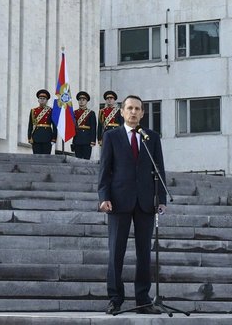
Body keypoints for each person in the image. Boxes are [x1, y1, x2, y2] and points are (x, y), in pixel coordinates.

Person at [97, 95, 167, 315]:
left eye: (137, 109)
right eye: (129, 108)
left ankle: (143, 300)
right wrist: (103, 197)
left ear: (143, 113)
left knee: (144, 253)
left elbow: (159, 169)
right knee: (115, 252)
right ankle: (115, 299)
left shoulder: (151, 138)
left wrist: (161, 198)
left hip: (146, 203)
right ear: (122, 112)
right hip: (118, 201)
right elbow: (105, 170)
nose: (134, 112)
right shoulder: (112, 136)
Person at [27, 89, 55, 154]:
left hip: (47, 137)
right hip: (36, 137)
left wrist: (54, 138)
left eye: (44, 98)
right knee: (36, 158)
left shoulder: (51, 111)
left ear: (46, 100)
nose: (42, 100)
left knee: (46, 158)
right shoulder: (33, 111)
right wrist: (29, 137)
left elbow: (54, 126)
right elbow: (30, 125)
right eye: (40, 98)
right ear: (38, 100)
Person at [71, 91, 98, 160]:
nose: (81, 101)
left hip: (87, 140)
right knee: (77, 160)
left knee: (86, 160)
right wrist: (73, 141)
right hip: (77, 139)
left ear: (86, 101)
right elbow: (72, 127)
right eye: (80, 100)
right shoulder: (74, 113)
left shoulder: (91, 113)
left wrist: (93, 140)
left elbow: (93, 128)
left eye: (83, 100)